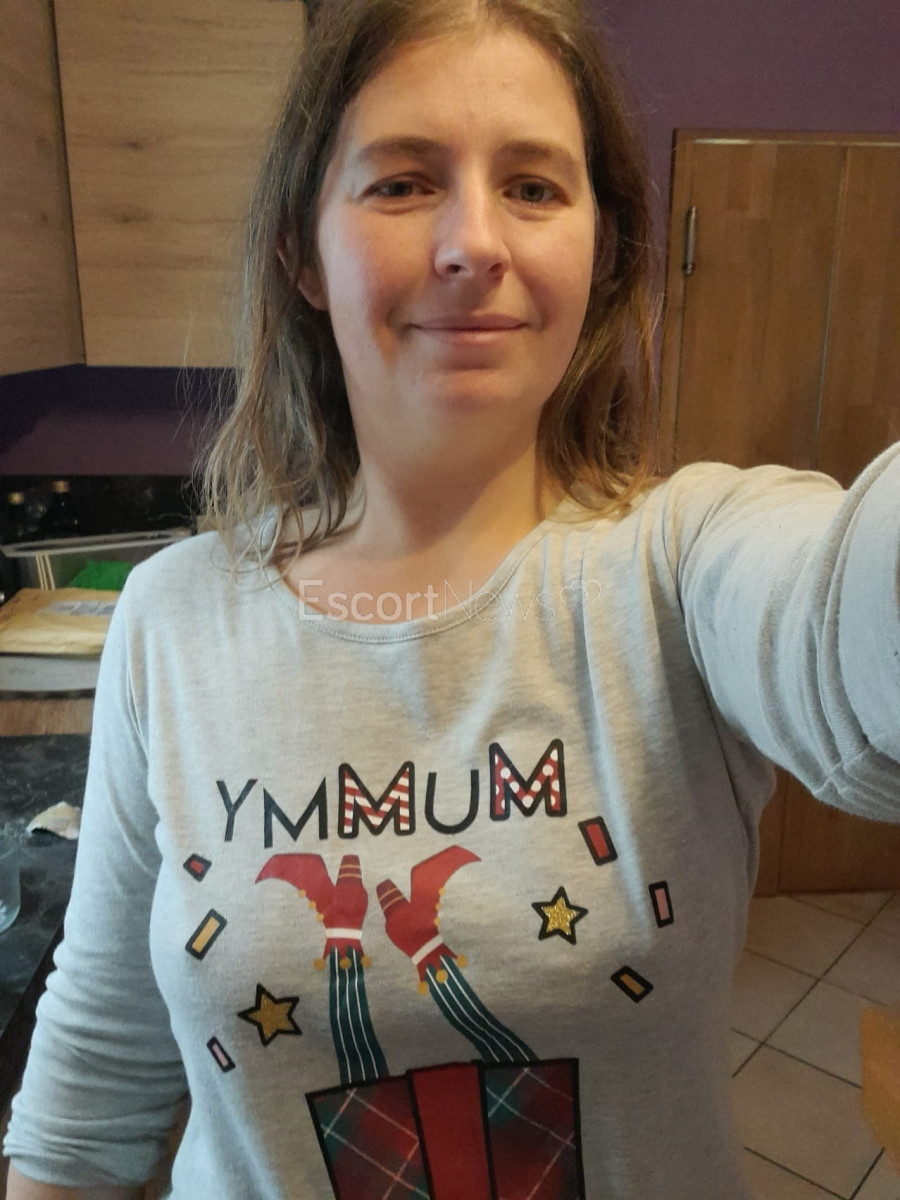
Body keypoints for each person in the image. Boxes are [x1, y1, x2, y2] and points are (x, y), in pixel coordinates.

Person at [4, 0, 899, 1196]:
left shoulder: (682, 567)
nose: (475, 241)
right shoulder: (172, 620)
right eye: (402, 183)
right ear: (301, 253)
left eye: (533, 186)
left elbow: (847, 625)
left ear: (603, 249)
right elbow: (89, 1085)